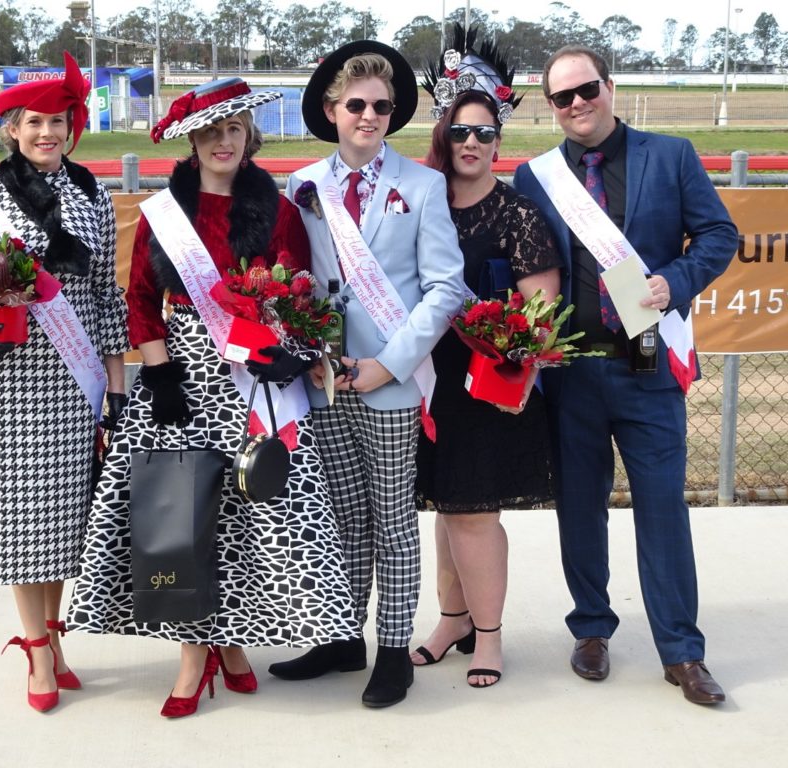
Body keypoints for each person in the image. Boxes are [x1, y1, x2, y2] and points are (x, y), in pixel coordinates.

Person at [66, 78, 360, 719]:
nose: (223, 141)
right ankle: (196, 658)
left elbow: (298, 293)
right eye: (209, 132)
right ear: (192, 141)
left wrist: (286, 348)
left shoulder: (279, 212)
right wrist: (160, 372)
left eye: (233, 130)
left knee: (245, 521)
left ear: (248, 137)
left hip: (254, 382)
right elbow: (140, 299)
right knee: (182, 517)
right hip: (180, 380)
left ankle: (227, 646)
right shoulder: (162, 214)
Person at [513, 45, 738, 705]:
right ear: (551, 107)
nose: (577, 104)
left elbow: (719, 236)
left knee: (663, 507)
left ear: (610, 87)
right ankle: (590, 627)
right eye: (562, 98)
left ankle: (682, 652)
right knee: (580, 506)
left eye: (587, 90)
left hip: (645, 359)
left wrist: (675, 281)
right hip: (573, 370)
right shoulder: (538, 178)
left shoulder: (670, 155)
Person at [268, 41, 466, 708]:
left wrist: (390, 364)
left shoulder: (423, 185)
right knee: (344, 519)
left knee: (392, 522)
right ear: (331, 109)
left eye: (382, 106)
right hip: (326, 382)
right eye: (357, 104)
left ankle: (392, 652)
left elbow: (445, 290)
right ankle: (341, 635)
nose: (370, 115)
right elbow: (295, 280)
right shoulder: (301, 187)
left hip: (390, 382)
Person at [0, 52, 129, 713]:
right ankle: (37, 652)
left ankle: (53, 636)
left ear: (74, 127)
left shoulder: (93, 196)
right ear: (13, 129)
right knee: (26, 520)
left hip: (76, 383)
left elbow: (104, 294)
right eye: (35, 122)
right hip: (14, 375)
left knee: (63, 520)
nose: (49, 133)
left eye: (59, 121)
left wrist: (116, 381)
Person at [411, 29, 561, 689]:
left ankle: (490, 637)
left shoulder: (519, 217)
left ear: (498, 141)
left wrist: (501, 335)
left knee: (474, 513)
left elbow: (541, 320)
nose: (471, 143)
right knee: (447, 509)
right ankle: (452, 619)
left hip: (486, 390)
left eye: (484, 132)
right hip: (425, 384)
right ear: (445, 136)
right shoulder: (422, 207)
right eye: (460, 131)